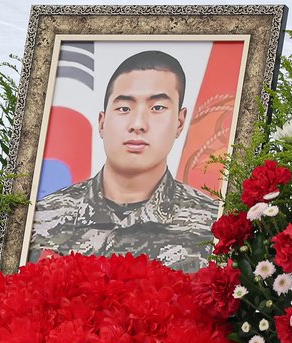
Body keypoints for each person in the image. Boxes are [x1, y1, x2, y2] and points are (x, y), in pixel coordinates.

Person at [28, 49, 220, 272]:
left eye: (157, 108)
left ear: (179, 122)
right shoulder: (40, 218)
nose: (137, 124)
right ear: (102, 122)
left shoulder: (213, 226)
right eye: (124, 108)